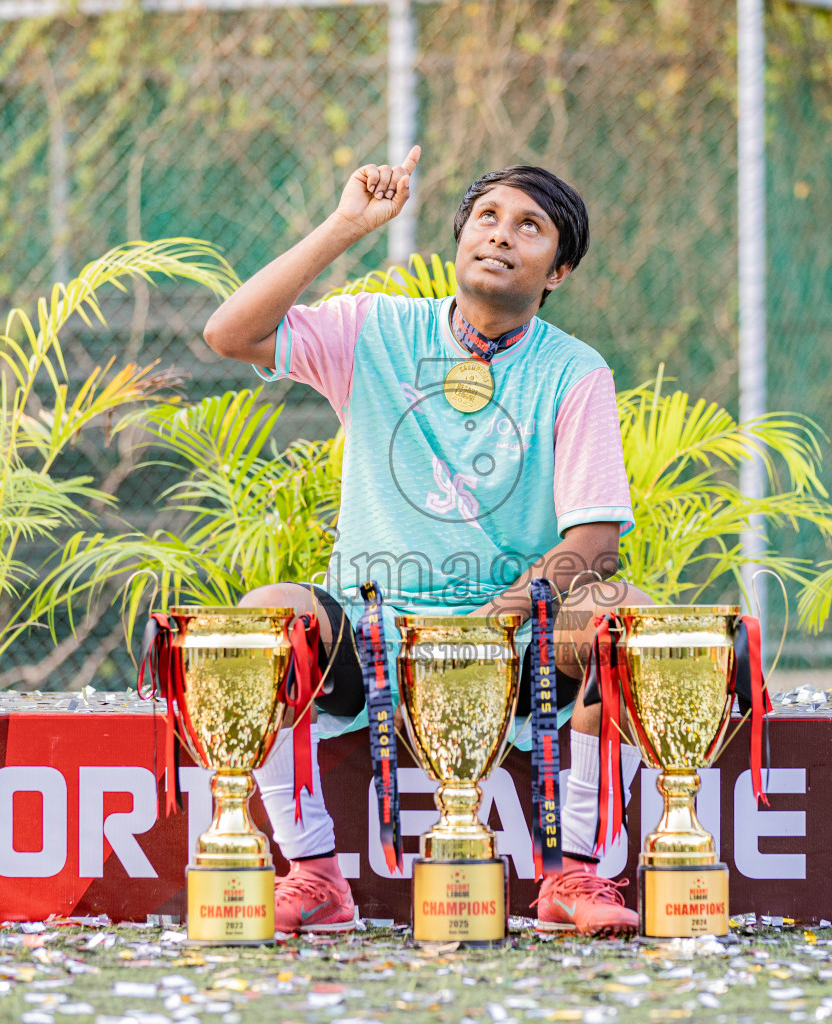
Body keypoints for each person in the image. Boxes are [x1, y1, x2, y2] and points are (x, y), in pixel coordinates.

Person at [202, 144, 648, 937]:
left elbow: (595, 542)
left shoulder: (575, 372)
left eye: (530, 227)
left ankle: (575, 875)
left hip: (512, 651)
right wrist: (345, 226)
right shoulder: (374, 328)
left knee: (624, 616)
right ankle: (314, 875)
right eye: (486, 217)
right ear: (458, 238)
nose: (501, 236)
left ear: (558, 272)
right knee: (263, 617)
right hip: (373, 641)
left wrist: (487, 627)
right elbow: (230, 333)